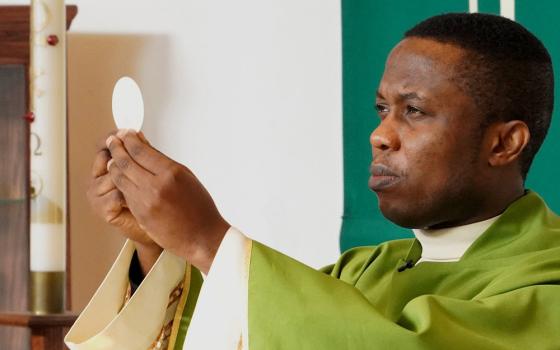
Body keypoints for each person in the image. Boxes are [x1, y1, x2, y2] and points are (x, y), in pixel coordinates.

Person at [65, 13, 560, 350]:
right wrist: (157, 248)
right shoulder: (365, 269)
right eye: (383, 109)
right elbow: (239, 333)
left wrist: (209, 241)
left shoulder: (545, 283)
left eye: (414, 112)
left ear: (503, 144)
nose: (380, 135)